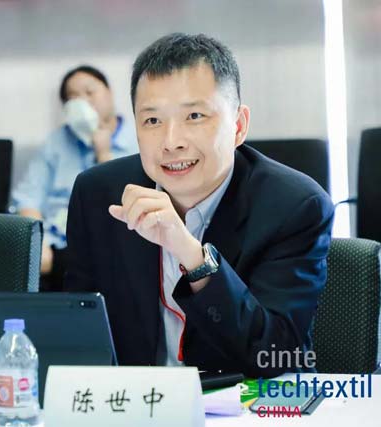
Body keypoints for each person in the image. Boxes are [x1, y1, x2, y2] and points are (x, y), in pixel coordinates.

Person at [64, 33, 334, 377]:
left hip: (245, 401)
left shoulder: (294, 206)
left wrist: (192, 256)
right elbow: (79, 333)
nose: (171, 142)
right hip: (136, 400)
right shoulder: (99, 194)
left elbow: (276, 353)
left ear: (238, 126)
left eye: (194, 116)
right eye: (152, 120)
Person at [12, 65, 137, 291]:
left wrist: (103, 154)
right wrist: (38, 245)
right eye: (73, 98)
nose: (84, 102)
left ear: (109, 93)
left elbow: (122, 209)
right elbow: (29, 198)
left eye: (90, 92)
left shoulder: (137, 140)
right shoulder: (56, 143)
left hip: (114, 247)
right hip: (57, 248)